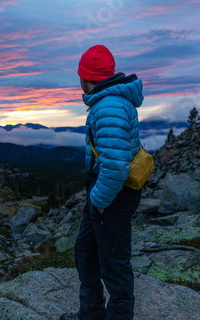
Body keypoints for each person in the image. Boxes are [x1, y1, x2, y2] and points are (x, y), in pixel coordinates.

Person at [60, 45, 144, 320]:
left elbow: (116, 166)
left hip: (112, 194)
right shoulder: (107, 101)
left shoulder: (109, 106)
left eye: (79, 76)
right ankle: (91, 315)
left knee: (114, 263)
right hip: (103, 189)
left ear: (85, 77)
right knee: (86, 251)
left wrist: (98, 201)